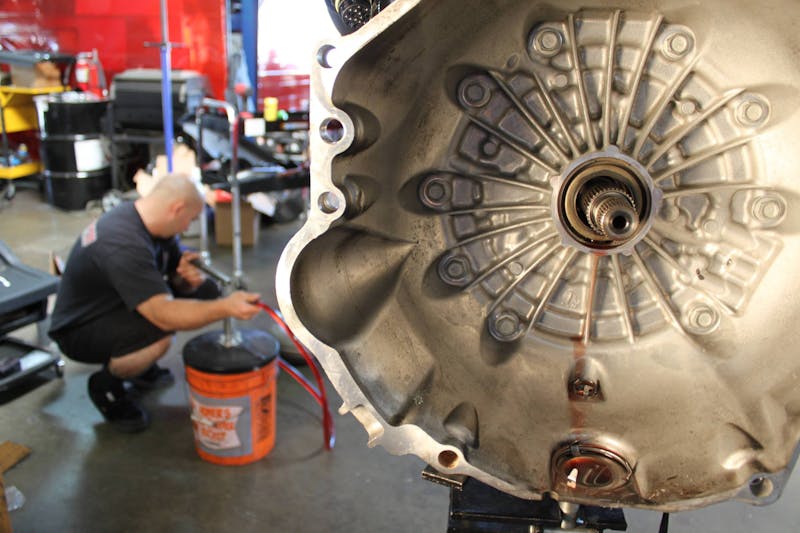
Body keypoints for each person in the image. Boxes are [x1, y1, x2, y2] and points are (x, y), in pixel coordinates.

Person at [49, 174, 261, 433]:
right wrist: (227, 307)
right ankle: (107, 386)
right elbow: (163, 314)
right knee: (158, 334)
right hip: (78, 329)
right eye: (190, 219)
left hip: (111, 303)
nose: (187, 228)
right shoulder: (122, 242)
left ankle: (140, 368)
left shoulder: (151, 222)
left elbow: (176, 279)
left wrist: (184, 279)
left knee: (204, 291)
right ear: (177, 209)